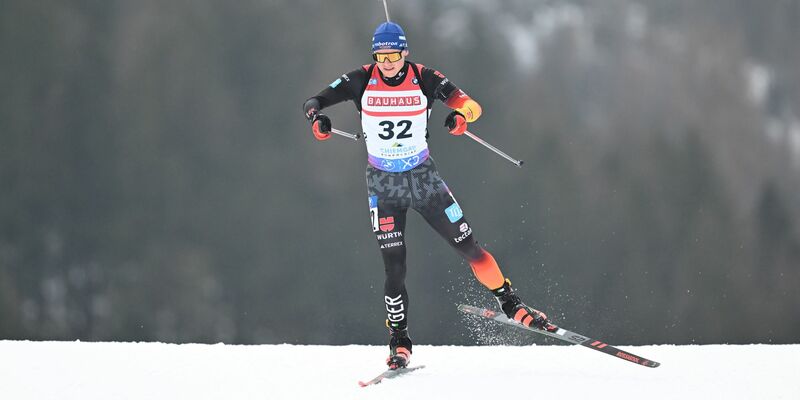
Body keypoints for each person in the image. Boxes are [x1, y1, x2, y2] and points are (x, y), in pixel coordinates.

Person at [302, 21, 549, 369]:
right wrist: (317, 120)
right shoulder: (359, 79)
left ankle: (512, 304)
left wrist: (461, 116)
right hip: (384, 184)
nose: (387, 63)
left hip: (423, 180)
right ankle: (399, 340)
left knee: (469, 247)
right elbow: (314, 101)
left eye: (393, 56)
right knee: (395, 268)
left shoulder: (424, 77)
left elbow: (471, 105)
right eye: (381, 57)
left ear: (405, 52)